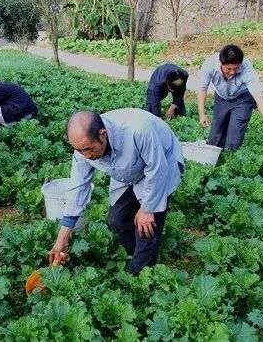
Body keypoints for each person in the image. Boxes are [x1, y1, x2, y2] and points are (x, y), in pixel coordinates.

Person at [49, 108, 184, 275]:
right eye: (79, 150)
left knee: (147, 226)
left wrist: (147, 209)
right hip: (128, 169)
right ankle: (140, 251)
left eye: (89, 149)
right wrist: (62, 238)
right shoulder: (83, 148)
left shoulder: (138, 130)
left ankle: (140, 274)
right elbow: (78, 186)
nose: (86, 156)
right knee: (117, 220)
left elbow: (157, 169)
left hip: (162, 163)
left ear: (102, 135)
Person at [198, 44, 263, 151]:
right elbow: (202, 89)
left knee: (234, 136)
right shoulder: (209, 65)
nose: (232, 72)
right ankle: (215, 155)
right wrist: (202, 114)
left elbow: (259, 95)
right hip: (221, 98)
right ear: (220, 63)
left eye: (236, 68)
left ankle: (231, 155)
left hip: (243, 98)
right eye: (228, 68)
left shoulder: (247, 68)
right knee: (215, 136)